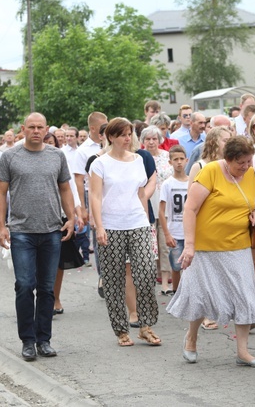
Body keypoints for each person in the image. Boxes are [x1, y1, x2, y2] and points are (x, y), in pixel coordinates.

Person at [166, 136, 255, 367]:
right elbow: (190, 208)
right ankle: (191, 338)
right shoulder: (210, 171)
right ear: (228, 159)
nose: (246, 167)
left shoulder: (250, 174)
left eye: (249, 161)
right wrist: (189, 245)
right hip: (205, 247)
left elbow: (253, 203)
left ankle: (242, 352)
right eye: (241, 163)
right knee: (200, 296)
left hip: (238, 245)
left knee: (245, 296)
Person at [0, 113, 75, 362]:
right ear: (23, 129)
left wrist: (70, 218)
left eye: (41, 127)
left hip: (51, 229)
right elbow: (0, 192)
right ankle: (27, 341)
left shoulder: (56, 156)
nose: (36, 131)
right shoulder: (10, 157)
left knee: (47, 289)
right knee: (25, 285)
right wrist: (1, 225)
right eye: (32, 127)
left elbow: (65, 188)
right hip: (21, 231)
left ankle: (44, 340)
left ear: (46, 129)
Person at [89, 117, 161, 347]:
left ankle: (146, 326)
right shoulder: (100, 163)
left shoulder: (139, 160)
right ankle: (121, 330)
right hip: (111, 225)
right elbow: (96, 196)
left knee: (147, 272)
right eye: (122, 134)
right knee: (113, 279)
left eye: (129, 134)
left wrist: (145, 219)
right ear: (111, 137)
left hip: (138, 222)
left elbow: (141, 192)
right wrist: (99, 226)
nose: (127, 138)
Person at [141, 125, 173, 295]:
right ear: (143, 141)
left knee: (165, 244)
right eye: (148, 139)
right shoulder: (138, 157)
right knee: (150, 245)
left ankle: (166, 282)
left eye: (154, 138)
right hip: (147, 205)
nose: (151, 142)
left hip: (166, 204)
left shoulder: (168, 157)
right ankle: (149, 281)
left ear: (160, 140)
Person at [159, 145, 189, 295]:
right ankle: (176, 293)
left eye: (181, 159)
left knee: (191, 266)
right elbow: (162, 211)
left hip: (190, 232)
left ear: (187, 160)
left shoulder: (192, 182)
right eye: (175, 159)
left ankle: (190, 293)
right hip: (175, 232)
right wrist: (167, 234)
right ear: (170, 162)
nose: (179, 162)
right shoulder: (167, 184)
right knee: (176, 266)